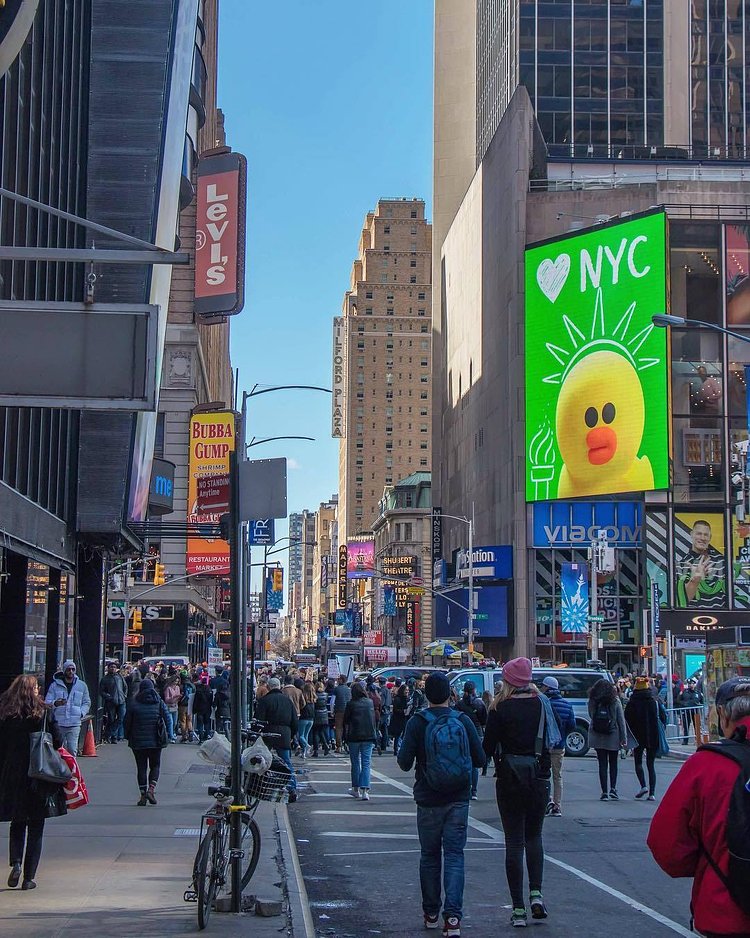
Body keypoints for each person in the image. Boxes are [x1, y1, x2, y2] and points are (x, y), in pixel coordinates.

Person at [648, 677, 750, 938]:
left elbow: (667, 843)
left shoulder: (707, 765)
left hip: (725, 908)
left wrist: (706, 864)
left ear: (723, 716)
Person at [397, 672, 485, 938]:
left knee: (430, 856)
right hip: (458, 797)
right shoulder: (463, 720)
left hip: (427, 797)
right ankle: (454, 919)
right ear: (450, 694)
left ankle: (431, 912)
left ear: (426, 695)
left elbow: (403, 762)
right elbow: (480, 759)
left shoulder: (418, 722)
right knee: (455, 857)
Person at [483, 657, 550, 928]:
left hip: (509, 776)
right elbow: (555, 738)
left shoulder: (499, 708)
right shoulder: (542, 704)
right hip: (538, 776)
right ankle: (536, 894)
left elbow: (486, 748)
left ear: (508, 680)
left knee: (514, 841)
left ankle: (518, 909)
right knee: (534, 837)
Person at [0, 675, 67, 890]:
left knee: (17, 822)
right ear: (33, 690)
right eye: (37, 687)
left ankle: (16, 862)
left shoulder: (6, 713)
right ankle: (29, 877)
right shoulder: (44, 712)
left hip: (13, 775)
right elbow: (58, 740)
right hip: (39, 774)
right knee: (37, 826)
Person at [123, 675, 170, 805]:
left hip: (138, 741)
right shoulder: (158, 702)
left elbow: (126, 722)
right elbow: (167, 718)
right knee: (155, 765)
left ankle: (143, 795)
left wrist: (127, 735)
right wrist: (169, 735)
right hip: (156, 740)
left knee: (141, 767)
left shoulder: (133, 703)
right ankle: (151, 789)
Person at [625, 675, 666, 800]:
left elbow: (627, 719)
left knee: (638, 762)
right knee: (650, 764)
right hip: (652, 735)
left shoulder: (632, 702)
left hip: (637, 736)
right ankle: (652, 793)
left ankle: (643, 785)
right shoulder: (654, 702)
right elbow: (663, 717)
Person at [587, 678, 627, 801]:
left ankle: (604, 792)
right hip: (613, 734)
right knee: (613, 763)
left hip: (598, 735)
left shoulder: (593, 701)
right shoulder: (615, 701)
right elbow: (621, 720)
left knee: (602, 764)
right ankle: (613, 789)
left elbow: (591, 715)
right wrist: (623, 738)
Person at [541, 676, 576, 816]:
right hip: (559, 745)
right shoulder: (567, 705)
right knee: (557, 776)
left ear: (547, 688)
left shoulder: (543, 703)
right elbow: (572, 725)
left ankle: (546, 800)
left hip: (544, 746)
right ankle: (557, 805)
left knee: (543, 775)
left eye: (543, 686)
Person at [254, 677, 298, 786]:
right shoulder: (287, 701)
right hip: (284, 733)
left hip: (268, 733)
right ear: (280, 687)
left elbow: (258, 720)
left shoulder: (264, 701)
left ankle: (261, 784)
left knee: (263, 760)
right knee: (286, 761)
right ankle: (291, 786)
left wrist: (256, 734)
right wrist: (292, 735)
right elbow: (294, 721)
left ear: (268, 687)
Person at [675, 518, 726, 608]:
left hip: (721, 618)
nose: (702, 538)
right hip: (692, 618)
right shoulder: (682, 564)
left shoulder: (722, 561)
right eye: (699, 534)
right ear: (691, 534)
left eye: (706, 535)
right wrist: (695, 580)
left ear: (710, 537)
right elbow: (683, 601)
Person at [44, 660, 91, 756]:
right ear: (64, 670)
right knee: (58, 749)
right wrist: (56, 703)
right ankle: (61, 769)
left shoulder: (82, 685)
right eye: (68, 669)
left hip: (74, 723)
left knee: (72, 749)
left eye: (73, 669)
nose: (71, 671)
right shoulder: (54, 685)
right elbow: (47, 702)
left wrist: (81, 713)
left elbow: (87, 702)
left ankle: (72, 770)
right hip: (59, 722)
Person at [344, 682, 378, 799]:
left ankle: (355, 789)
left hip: (354, 736)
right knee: (366, 762)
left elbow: (346, 720)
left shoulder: (351, 704)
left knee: (355, 762)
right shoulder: (370, 702)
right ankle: (365, 790)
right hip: (368, 735)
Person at [454, 681, 487, 799]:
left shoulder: (460, 704)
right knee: (474, 764)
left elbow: (455, 718)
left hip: (462, 732)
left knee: (463, 760)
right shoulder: (479, 703)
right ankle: (474, 791)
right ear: (474, 690)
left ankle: (466, 788)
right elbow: (484, 720)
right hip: (477, 732)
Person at [99, 661, 127, 744]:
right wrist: (108, 697)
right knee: (111, 719)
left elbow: (125, 687)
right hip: (111, 702)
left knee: (121, 718)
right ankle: (113, 737)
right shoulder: (105, 679)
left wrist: (124, 695)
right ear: (108, 668)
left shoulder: (119, 677)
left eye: (114, 667)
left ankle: (108, 734)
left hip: (121, 701)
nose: (113, 668)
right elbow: (101, 691)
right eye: (111, 667)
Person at [677, 677, 703, 745]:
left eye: (692, 683)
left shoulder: (698, 692)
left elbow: (702, 701)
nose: (690, 685)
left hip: (695, 712)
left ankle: (698, 740)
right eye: (689, 684)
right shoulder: (684, 692)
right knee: (686, 726)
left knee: (696, 726)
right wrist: (684, 704)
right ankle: (685, 740)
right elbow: (678, 700)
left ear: (694, 684)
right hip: (687, 711)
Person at [332, 675, 351, 753]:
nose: (337, 680)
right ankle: (347, 744)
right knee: (347, 728)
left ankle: (339, 746)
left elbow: (332, 701)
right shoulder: (349, 689)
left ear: (341, 680)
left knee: (338, 728)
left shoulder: (336, 689)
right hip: (348, 711)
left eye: (338, 679)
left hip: (339, 710)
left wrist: (332, 711)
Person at [312, 681, 331, 756]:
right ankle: (326, 745)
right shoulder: (326, 695)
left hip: (316, 714)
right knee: (321, 731)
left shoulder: (315, 695)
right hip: (324, 714)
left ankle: (316, 750)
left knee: (316, 732)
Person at [390, 683, 410, 756]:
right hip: (398, 719)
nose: (407, 691)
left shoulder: (407, 699)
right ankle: (396, 749)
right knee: (398, 735)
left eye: (408, 690)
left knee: (403, 734)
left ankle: (400, 748)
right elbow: (395, 709)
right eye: (406, 690)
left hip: (404, 718)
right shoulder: (397, 698)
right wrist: (403, 711)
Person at [298, 682, 316, 757]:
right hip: (311, 719)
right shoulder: (313, 700)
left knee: (300, 735)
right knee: (306, 735)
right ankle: (304, 753)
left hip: (303, 718)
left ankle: (306, 745)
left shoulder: (303, 698)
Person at [192, 678, 213, 742]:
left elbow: (195, 701)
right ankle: (206, 736)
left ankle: (201, 738)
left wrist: (194, 709)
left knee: (200, 724)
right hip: (207, 709)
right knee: (207, 723)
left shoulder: (199, 690)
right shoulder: (210, 690)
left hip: (200, 709)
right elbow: (211, 700)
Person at [162, 673, 181, 742]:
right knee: (170, 722)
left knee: (175, 722)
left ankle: (171, 733)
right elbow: (166, 699)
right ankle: (171, 736)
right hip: (168, 707)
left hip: (175, 706)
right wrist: (174, 697)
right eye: (175, 681)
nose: (176, 683)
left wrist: (178, 698)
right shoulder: (168, 688)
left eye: (177, 681)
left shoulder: (177, 687)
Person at [377, 676, 392, 752]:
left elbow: (381, 702)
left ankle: (379, 744)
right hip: (387, 710)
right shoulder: (388, 690)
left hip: (383, 711)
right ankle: (384, 744)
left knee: (378, 727)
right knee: (385, 728)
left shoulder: (382, 691)